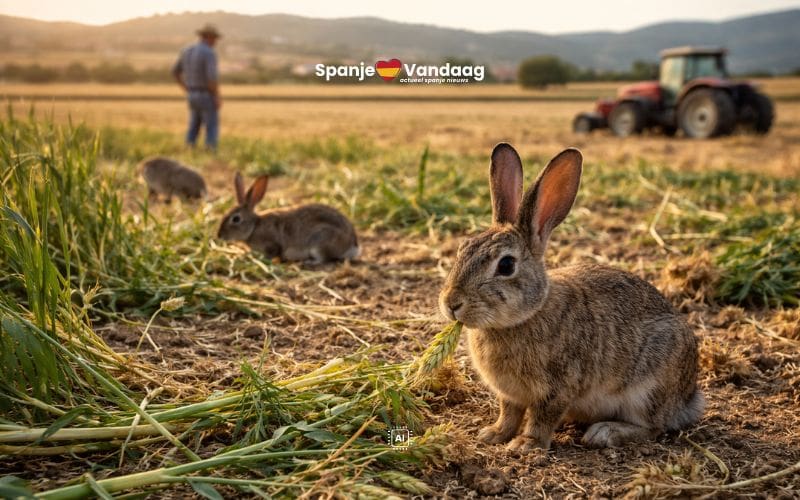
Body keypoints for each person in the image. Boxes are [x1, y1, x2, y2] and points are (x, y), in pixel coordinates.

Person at [172, 24, 222, 151]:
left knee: (194, 124)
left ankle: (189, 149)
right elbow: (212, 78)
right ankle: (210, 151)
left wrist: (186, 88)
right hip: (206, 94)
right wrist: (216, 96)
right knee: (211, 125)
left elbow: (175, 72)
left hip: (192, 93)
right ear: (209, 37)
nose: (216, 42)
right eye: (215, 38)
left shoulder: (186, 50)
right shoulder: (209, 53)